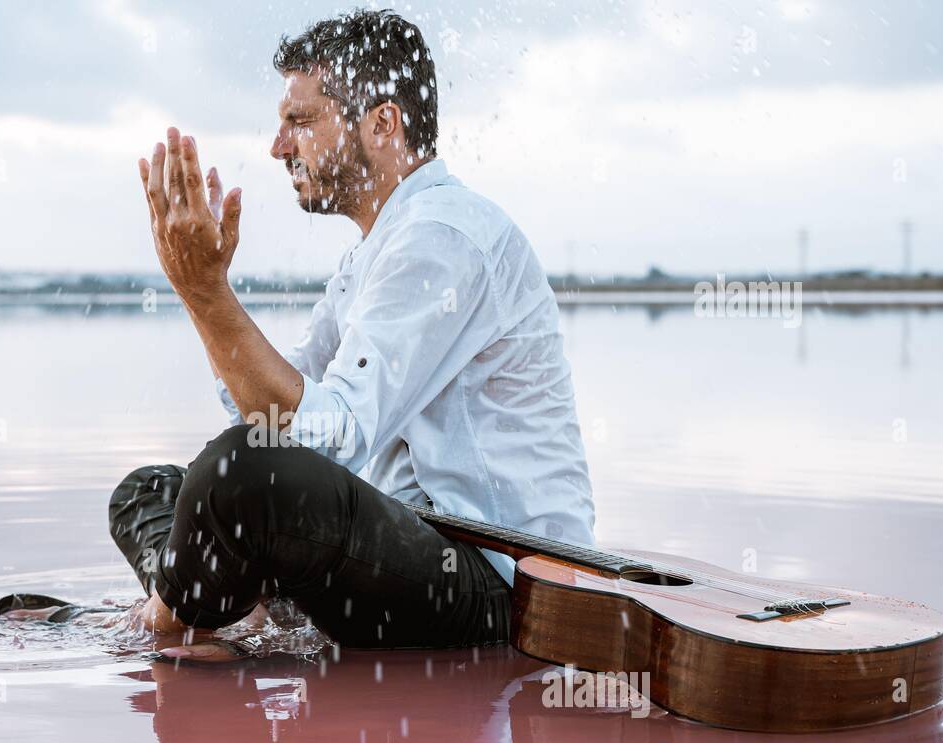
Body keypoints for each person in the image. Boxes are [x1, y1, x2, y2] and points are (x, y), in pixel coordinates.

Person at [113, 8, 594, 661]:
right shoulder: (374, 253)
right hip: (411, 551)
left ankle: (172, 620)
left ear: (383, 123)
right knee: (149, 489)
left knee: (236, 475)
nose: (279, 147)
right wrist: (200, 293)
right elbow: (272, 418)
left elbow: (331, 436)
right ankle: (213, 610)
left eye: (300, 122)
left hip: (498, 587)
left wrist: (207, 292)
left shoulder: (442, 237)